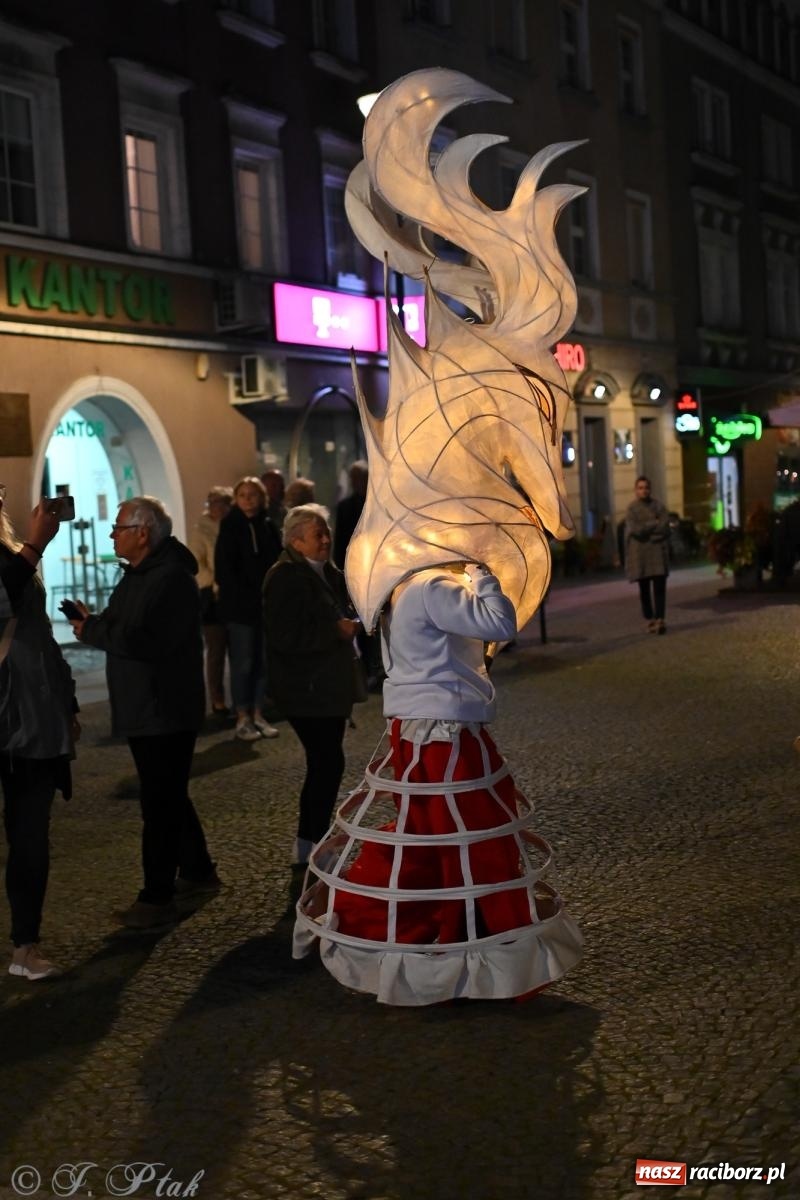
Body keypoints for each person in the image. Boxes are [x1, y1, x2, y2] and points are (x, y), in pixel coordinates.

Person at [293, 563, 583, 1005]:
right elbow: (502, 623)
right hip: (444, 728)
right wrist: (485, 579)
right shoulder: (435, 587)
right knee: (472, 835)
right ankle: (487, 938)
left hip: (417, 726)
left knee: (432, 834)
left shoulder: (404, 589)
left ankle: (453, 927)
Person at [69, 496, 219, 930]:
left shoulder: (169, 580)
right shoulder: (139, 575)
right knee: (168, 793)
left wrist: (94, 629)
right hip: (148, 705)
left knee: (159, 802)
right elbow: (125, 626)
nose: (112, 534)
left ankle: (157, 897)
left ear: (143, 533)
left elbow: (144, 640)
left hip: (164, 707)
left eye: (118, 527)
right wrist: (93, 622)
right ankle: (198, 870)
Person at [0, 486, 79, 979]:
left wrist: (65, 698)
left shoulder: (10, 552)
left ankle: (24, 947)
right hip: (12, 706)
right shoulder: (19, 554)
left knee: (30, 830)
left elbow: (40, 633)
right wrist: (34, 547)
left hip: (30, 711)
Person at [262, 505, 360, 867]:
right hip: (306, 688)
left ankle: (312, 842)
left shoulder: (326, 573)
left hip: (326, 686)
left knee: (327, 762)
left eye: (326, 532)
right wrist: (335, 631)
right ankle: (311, 844)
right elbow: (285, 635)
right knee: (326, 762)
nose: (325, 539)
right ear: (295, 541)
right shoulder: (286, 577)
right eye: (317, 534)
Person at [214, 476, 281, 741]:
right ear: (236, 499)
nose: (248, 499)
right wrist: (240, 597)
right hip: (241, 609)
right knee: (243, 662)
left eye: (253, 494)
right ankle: (242, 715)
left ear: (262, 498)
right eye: (243, 495)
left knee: (262, 662)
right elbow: (225, 569)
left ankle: (258, 712)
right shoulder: (230, 527)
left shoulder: (267, 525)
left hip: (264, 606)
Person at [189, 486, 233, 716]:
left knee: (238, 649)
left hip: (233, 597)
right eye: (214, 502)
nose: (218, 506)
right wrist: (217, 583)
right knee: (216, 650)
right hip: (211, 597)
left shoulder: (234, 526)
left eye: (223, 502)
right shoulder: (201, 529)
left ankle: (240, 697)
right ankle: (217, 699)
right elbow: (198, 564)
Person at [624, 476, 670, 634]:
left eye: (646, 487)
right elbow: (636, 530)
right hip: (640, 556)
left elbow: (664, 528)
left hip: (658, 553)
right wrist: (653, 523)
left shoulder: (659, 506)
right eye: (641, 488)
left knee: (659, 588)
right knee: (644, 590)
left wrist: (648, 530)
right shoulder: (631, 509)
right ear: (636, 490)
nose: (644, 491)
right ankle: (650, 618)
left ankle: (660, 619)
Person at [333, 460, 368, 569]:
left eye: (357, 477)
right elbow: (340, 538)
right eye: (352, 478)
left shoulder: (376, 504)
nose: (353, 482)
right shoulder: (344, 506)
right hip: (350, 559)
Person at [260, 469, 287, 535]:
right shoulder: (256, 513)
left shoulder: (286, 512)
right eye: (274, 486)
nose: (279, 489)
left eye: (281, 486)